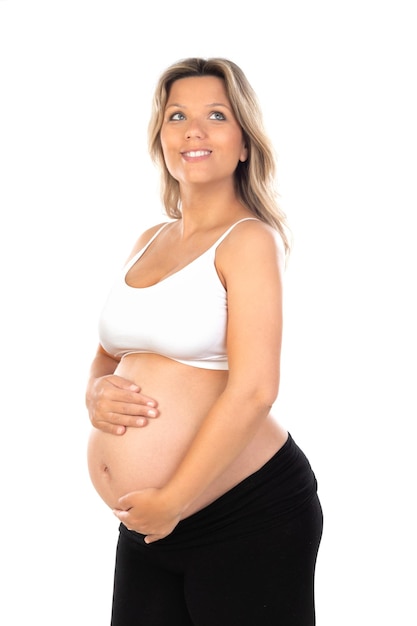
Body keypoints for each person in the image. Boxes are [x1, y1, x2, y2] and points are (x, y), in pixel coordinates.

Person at [86, 57, 323, 626]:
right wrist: (95, 394)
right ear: (161, 139)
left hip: (247, 513)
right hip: (149, 524)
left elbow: (255, 390)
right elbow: (110, 355)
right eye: (177, 116)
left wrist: (172, 500)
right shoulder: (150, 239)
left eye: (216, 115)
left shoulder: (248, 242)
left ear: (244, 143)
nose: (193, 130)